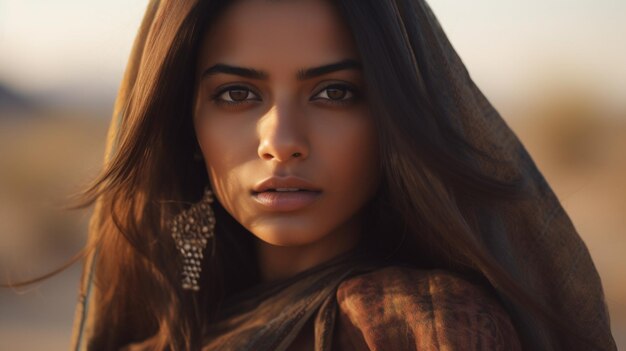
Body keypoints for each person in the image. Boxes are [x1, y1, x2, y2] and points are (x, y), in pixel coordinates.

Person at [65, 0, 617, 350]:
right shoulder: (157, 339)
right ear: (185, 127)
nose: (281, 141)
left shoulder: (420, 328)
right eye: (237, 94)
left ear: (393, 122)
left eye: (335, 93)